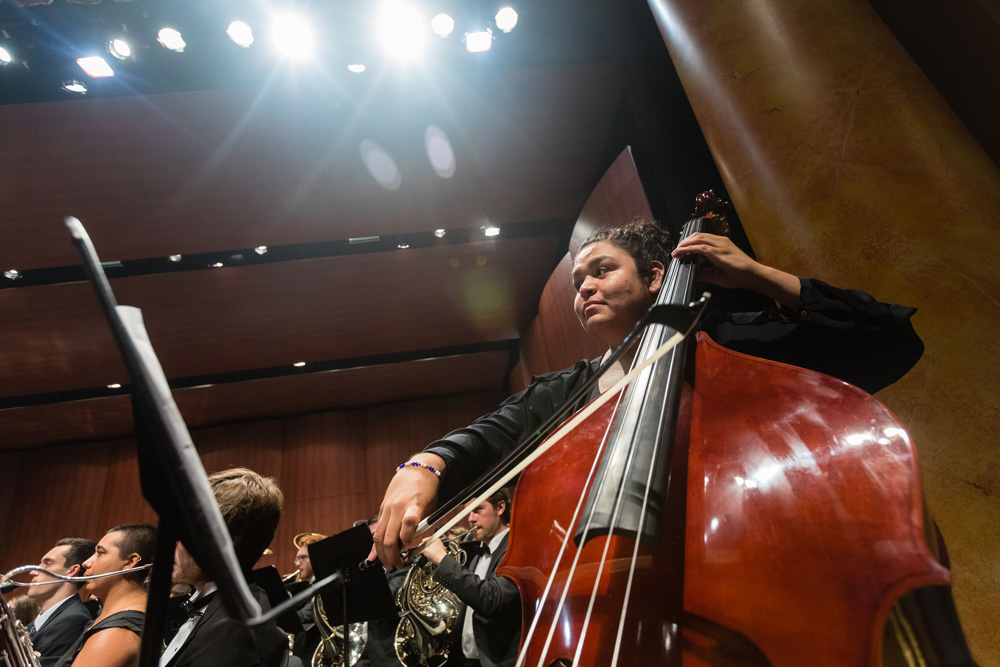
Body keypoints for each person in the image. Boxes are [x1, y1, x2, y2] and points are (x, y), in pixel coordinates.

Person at [371, 222, 924, 569]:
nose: (583, 288)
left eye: (602, 270)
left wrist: (756, 275)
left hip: (763, 564)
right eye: (578, 282)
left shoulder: (733, 350)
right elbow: (487, 436)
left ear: (656, 276)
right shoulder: (570, 389)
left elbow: (888, 340)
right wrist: (423, 464)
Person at [160, 467, 289, 667]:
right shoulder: (222, 608)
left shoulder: (237, 627)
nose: (174, 543)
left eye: (184, 533)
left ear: (225, 541)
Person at [421, 487, 520, 667]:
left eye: (478, 510)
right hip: (465, 661)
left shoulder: (516, 547)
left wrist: (442, 559)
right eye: (468, 512)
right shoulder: (475, 553)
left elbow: (491, 599)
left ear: (500, 507)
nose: (471, 518)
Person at [53, 524, 156, 667]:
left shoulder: (117, 631)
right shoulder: (113, 618)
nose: (86, 563)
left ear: (131, 562)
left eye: (100, 553)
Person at [24, 537, 97, 666]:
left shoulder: (74, 618)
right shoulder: (40, 620)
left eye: (47, 563)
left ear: (72, 571)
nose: (33, 572)